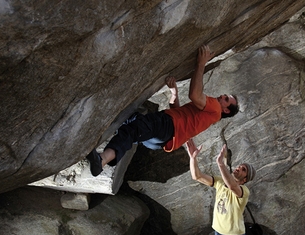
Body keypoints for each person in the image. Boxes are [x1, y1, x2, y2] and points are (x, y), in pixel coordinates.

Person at [87, 45, 239, 176]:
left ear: (226, 110)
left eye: (226, 99)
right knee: (130, 118)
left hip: (166, 126)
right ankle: (95, 136)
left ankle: (102, 160)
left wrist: (200, 64)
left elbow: (194, 95)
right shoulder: (209, 116)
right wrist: (174, 94)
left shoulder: (215, 108)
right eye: (225, 95)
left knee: (132, 129)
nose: (222, 96)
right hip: (161, 140)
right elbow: (180, 114)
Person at [185, 139, 273, 235]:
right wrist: (193, 158)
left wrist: (220, 163)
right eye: (239, 166)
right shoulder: (219, 182)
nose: (239, 168)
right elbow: (197, 176)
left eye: (243, 169)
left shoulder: (243, 191)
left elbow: (232, 186)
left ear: (245, 179)